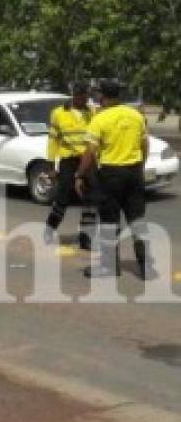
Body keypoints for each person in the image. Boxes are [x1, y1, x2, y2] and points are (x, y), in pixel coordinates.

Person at [75, 79, 153, 279]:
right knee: (137, 219)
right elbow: (145, 146)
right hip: (134, 172)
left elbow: (90, 152)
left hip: (111, 174)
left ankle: (110, 267)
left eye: (98, 93)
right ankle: (145, 267)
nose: (97, 97)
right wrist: (139, 167)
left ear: (103, 96)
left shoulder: (100, 119)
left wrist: (80, 175)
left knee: (110, 221)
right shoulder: (136, 116)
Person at [43, 82, 96, 250]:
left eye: (86, 95)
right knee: (63, 198)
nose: (84, 98)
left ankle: (85, 237)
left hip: (87, 160)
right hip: (68, 160)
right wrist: (51, 166)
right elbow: (53, 141)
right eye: (81, 95)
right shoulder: (58, 113)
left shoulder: (92, 113)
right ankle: (50, 229)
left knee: (90, 201)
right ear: (74, 95)